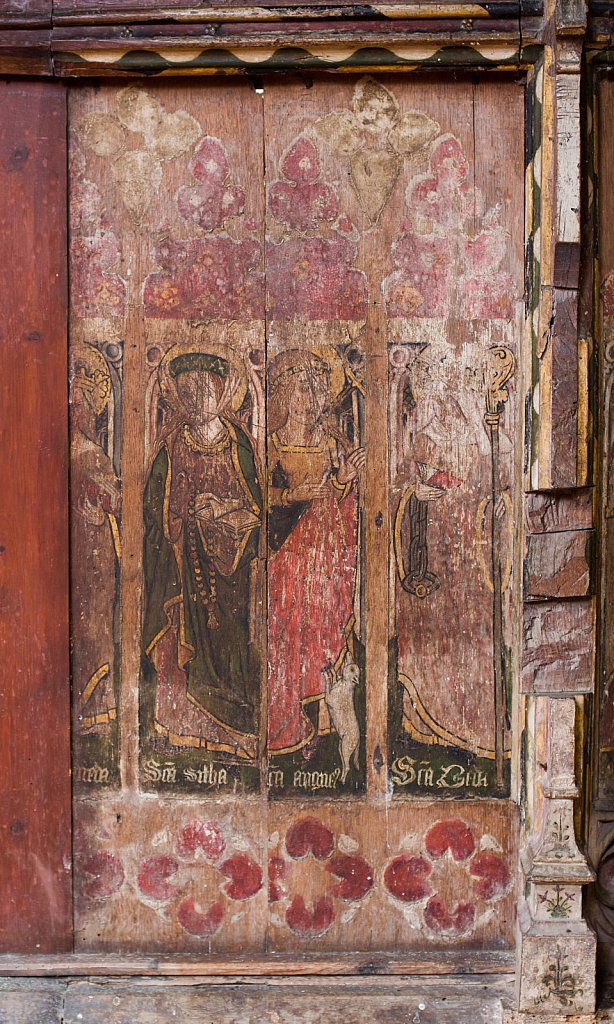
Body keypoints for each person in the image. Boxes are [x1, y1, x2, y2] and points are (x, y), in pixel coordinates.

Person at [142, 346, 262, 760]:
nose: (197, 399)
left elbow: (257, 505)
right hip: (183, 567)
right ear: (177, 396)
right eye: (187, 391)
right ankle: (183, 727)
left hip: (231, 571)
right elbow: (153, 511)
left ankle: (234, 730)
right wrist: (184, 516)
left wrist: (225, 512)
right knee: (180, 650)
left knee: (230, 651)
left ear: (222, 392)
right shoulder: (171, 447)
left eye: (204, 390)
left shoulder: (239, 445)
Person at [267, 348, 364, 756]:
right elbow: (256, 498)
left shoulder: (332, 444)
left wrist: (343, 482)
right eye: (300, 388)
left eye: (316, 388)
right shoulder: (269, 444)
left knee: (322, 638)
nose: (309, 397)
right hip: (283, 560)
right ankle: (287, 723)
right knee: (284, 638)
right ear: (285, 395)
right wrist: (292, 494)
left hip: (325, 560)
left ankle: (322, 725)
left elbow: (346, 504)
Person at [70, 342, 120, 735]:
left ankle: (92, 712)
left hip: (91, 557)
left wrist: (104, 510)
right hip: (74, 558)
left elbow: (112, 505)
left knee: (90, 623)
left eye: (83, 405)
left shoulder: (94, 455)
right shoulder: (80, 454)